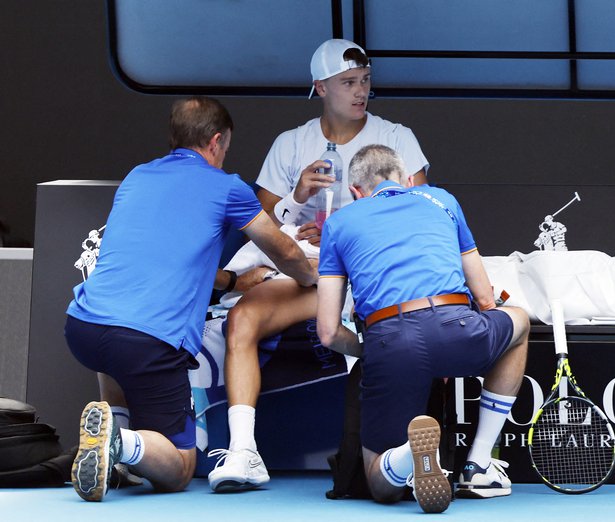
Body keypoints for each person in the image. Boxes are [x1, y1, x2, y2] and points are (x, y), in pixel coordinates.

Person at [64, 96, 318, 502]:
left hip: (84, 328)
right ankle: (120, 444)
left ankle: (114, 443)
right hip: (146, 341)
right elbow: (283, 251)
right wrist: (314, 276)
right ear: (216, 141)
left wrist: (234, 281)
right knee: (180, 466)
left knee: (114, 352)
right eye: (226, 148)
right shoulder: (227, 187)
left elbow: (165, 255)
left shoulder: (138, 176)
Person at [208, 38, 429, 492]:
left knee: (383, 335)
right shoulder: (291, 143)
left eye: (365, 81)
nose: (360, 90)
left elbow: (418, 214)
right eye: (348, 82)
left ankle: (383, 458)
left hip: (371, 271)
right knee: (242, 319)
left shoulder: (396, 137)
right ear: (321, 87)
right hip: (305, 271)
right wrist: (297, 197)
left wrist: (343, 232)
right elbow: (261, 227)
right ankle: (243, 452)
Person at [316, 145, 530, 513]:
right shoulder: (441, 200)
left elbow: (328, 332)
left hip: (389, 340)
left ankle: (403, 457)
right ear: (409, 180)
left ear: (355, 191)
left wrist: (371, 352)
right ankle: (478, 464)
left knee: (379, 484)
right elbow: (485, 298)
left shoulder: (339, 223)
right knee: (520, 321)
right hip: (458, 327)